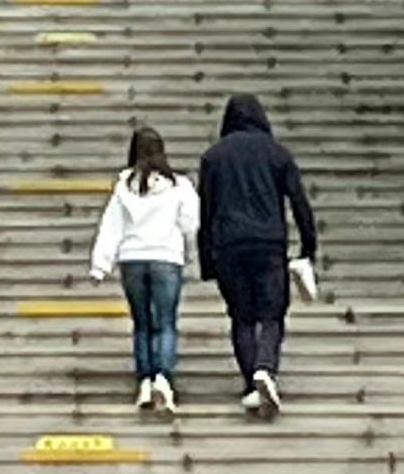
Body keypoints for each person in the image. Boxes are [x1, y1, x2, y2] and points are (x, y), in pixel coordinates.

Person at [195, 93, 318, 416]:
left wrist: (207, 260)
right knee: (272, 312)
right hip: (268, 244)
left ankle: (251, 382)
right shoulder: (276, 153)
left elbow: (205, 212)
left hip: (228, 246)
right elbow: (299, 202)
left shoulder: (213, 158)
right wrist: (308, 247)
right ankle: (266, 366)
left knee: (241, 316)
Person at [87, 124, 200, 413]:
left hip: (132, 258)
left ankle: (145, 380)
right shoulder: (179, 185)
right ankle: (164, 376)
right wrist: (190, 251)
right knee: (165, 321)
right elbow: (190, 223)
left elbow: (111, 226)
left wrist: (101, 264)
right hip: (166, 256)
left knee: (142, 323)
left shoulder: (124, 186)